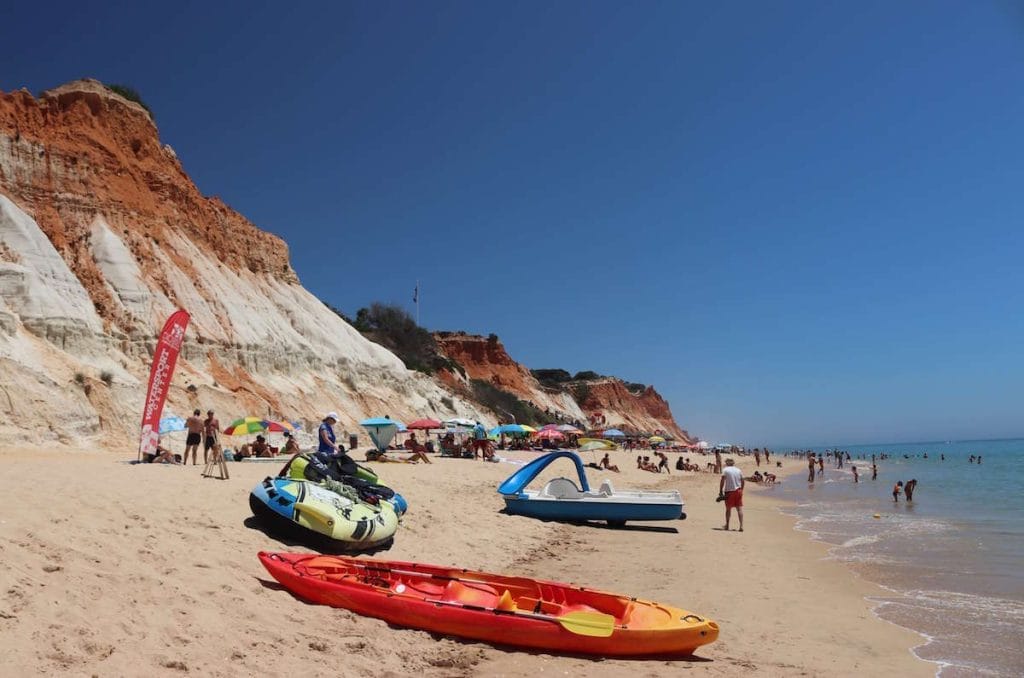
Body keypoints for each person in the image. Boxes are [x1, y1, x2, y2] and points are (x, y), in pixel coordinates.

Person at [719, 458, 745, 531]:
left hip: (729, 491)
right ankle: (741, 526)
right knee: (739, 509)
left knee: (728, 509)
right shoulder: (738, 470)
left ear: (727, 463)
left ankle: (727, 525)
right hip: (738, 491)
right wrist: (742, 490)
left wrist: (720, 490)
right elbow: (743, 481)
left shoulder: (725, 470)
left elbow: (722, 480)